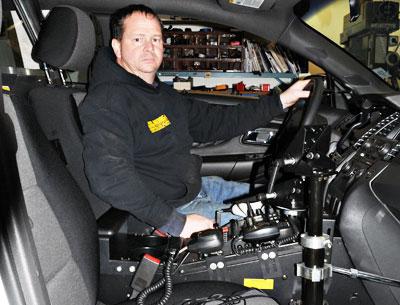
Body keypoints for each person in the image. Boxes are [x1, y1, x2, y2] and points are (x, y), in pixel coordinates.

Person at [79, 4, 310, 238]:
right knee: (284, 226)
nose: (149, 48)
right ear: (117, 46)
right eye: (138, 39)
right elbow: (109, 176)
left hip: (200, 188)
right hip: (171, 209)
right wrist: (176, 224)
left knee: (287, 201)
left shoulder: (162, 94)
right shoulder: (107, 101)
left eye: (156, 39)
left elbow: (216, 121)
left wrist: (281, 101)